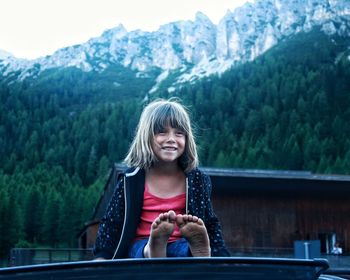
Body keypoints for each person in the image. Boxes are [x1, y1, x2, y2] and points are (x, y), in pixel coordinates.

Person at [93, 99, 230, 259]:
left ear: (187, 139)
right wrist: (102, 256)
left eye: (179, 133)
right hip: (141, 246)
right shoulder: (130, 180)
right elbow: (111, 222)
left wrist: (222, 255)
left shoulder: (196, 180)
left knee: (183, 249)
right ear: (146, 136)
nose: (171, 138)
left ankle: (197, 252)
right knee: (140, 249)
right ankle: (154, 248)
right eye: (161, 132)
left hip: (181, 243)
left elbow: (210, 221)